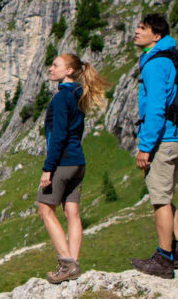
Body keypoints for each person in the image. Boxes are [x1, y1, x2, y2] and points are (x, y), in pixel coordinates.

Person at [129, 14, 178, 278]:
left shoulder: (155, 65)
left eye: (142, 28)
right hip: (173, 136)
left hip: (162, 140)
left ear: (156, 36)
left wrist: (145, 147)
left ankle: (164, 260)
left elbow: (155, 108)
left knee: (160, 201)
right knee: (166, 198)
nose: (136, 31)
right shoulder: (168, 59)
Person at [37, 52, 108, 284]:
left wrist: (48, 168)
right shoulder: (80, 95)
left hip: (63, 163)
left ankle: (66, 264)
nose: (50, 68)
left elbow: (58, 136)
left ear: (69, 71)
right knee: (72, 214)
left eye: (55, 65)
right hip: (78, 162)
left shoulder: (60, 98)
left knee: (46, 210)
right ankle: (73, 264)